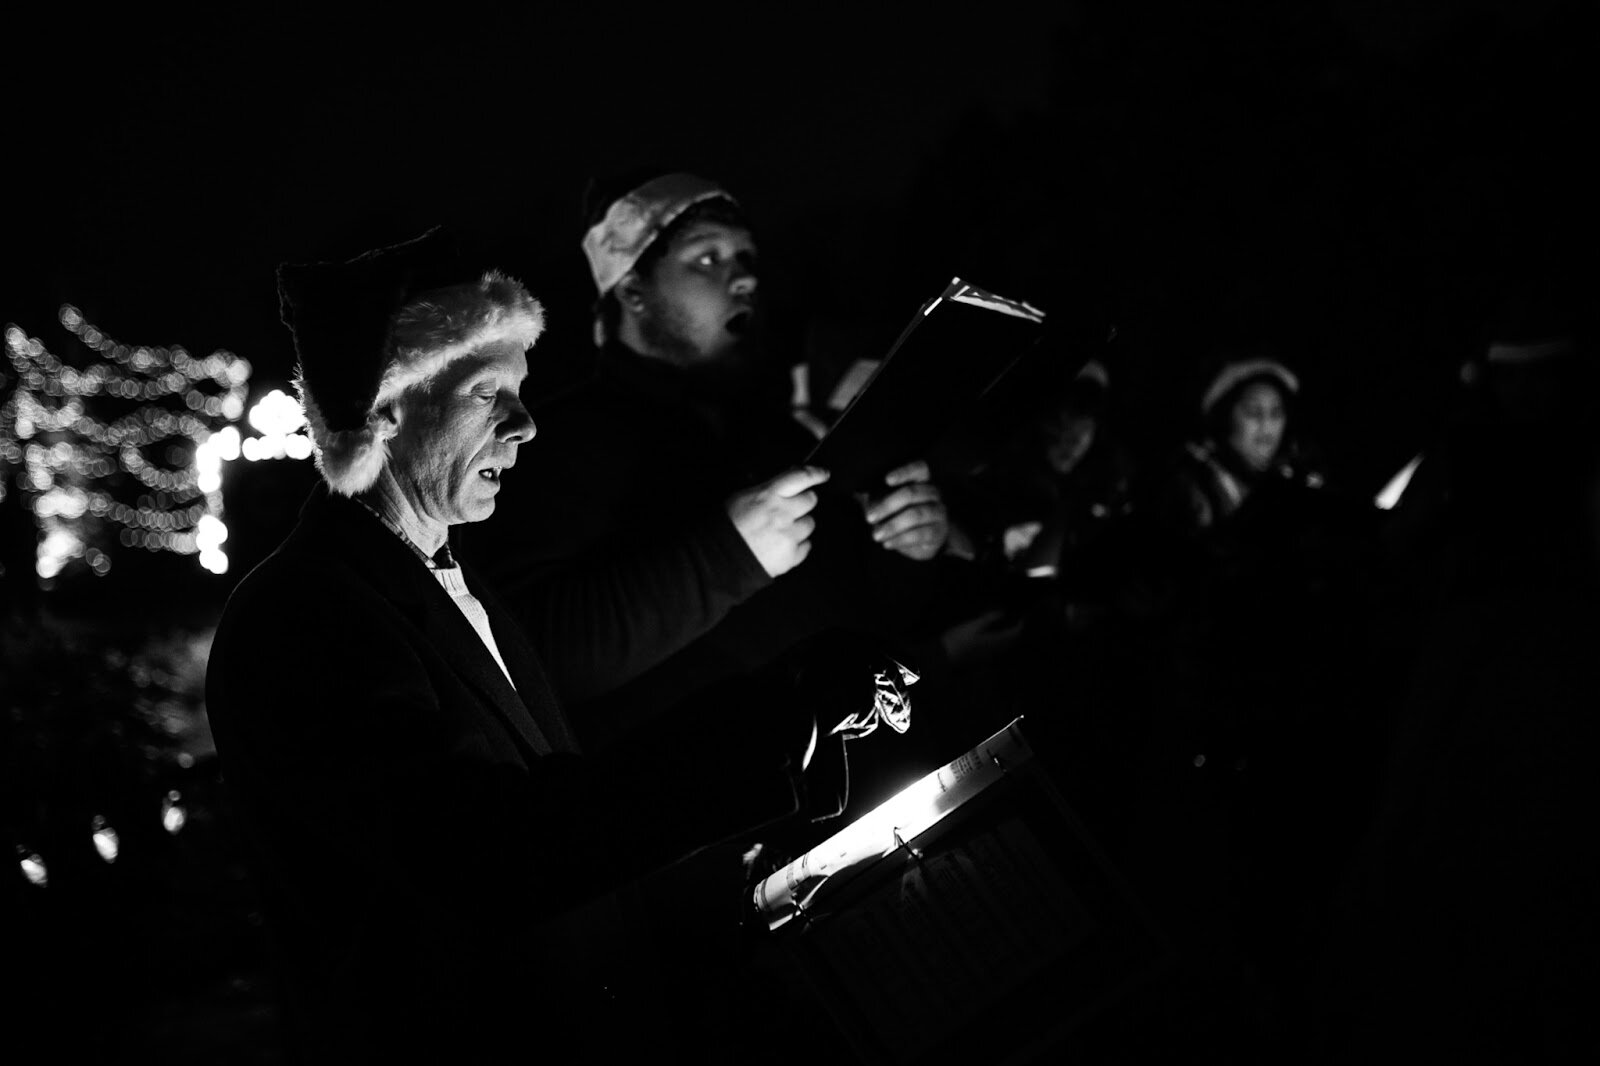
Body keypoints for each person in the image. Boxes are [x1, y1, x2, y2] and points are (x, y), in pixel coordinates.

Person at [205, 230, 826, 1064]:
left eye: (521, 390)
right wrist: (760, 730)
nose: (526, 424)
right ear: (382, 408)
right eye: (486, 391)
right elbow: (484, 856)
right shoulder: (303, 614)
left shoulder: (457, 584)